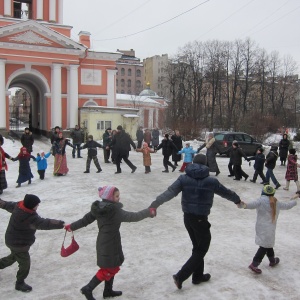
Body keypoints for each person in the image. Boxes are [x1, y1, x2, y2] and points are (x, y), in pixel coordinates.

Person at [149, 154, 242, 290]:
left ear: (192, 163)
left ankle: (197, 276)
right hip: (200, 219)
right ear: (205, 165)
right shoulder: (211, 181)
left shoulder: (183, 179)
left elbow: (170, 192)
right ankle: (181, 276)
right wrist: (237, 200)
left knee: (197, 247)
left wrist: (155, 203)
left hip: (188, 218)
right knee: (202, 247)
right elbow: (226, 192)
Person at [64, 185, 156, 299]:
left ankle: (107, 291)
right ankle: (88, 288)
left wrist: (72, 226)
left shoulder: (98, 208)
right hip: (110, 243)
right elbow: (134, 216)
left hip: (105, 241)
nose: (119, 198)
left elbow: (85, 220)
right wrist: (148, 212)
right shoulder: (115, 211)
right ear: (110, 197)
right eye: (117, 196)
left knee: (112, 264)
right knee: (109, 268)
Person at [0, 194, 64, 292]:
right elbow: (44, 223)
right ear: (30, 205)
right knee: (25, 264)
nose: (37, 206)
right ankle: (20, 283)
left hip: (11, 239)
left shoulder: (18, 207)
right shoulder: (29, 217)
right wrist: (61, 224)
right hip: (18, 244)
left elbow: (5, 204)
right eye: (36, 205)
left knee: (15, 256)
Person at [238, 185, 298, 274]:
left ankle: (272, 260)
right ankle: (254, 264)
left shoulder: (260, 201)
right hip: (270, 229)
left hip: (261, 227)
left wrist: (240, 204)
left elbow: (248, 205)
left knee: (267, 244)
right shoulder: (276, 202)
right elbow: (287, 205)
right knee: (264, 246)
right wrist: (294, 199)